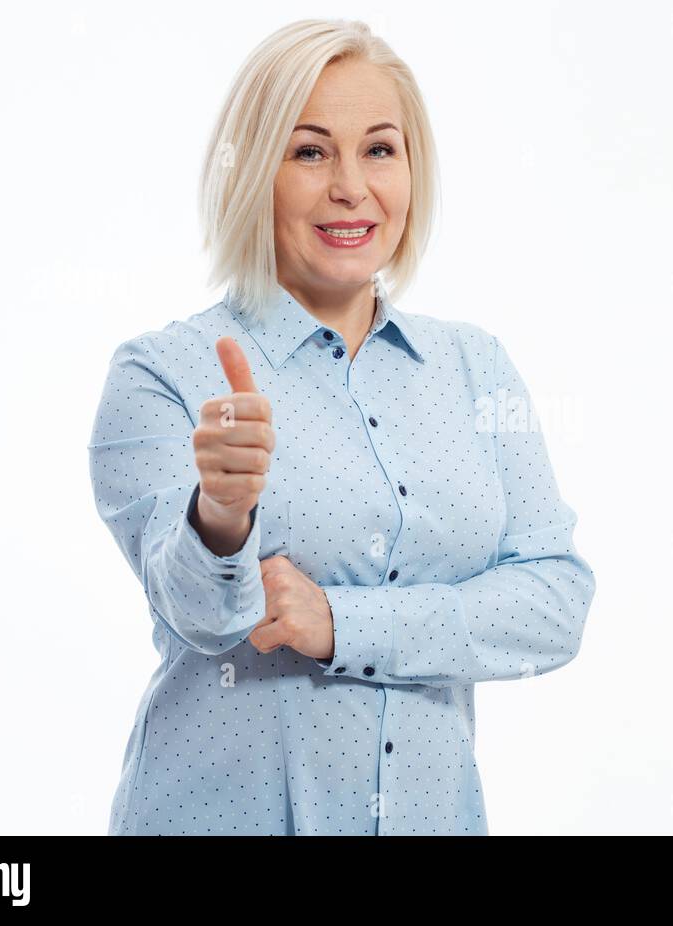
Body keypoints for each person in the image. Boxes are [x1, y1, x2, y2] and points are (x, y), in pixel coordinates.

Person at [87, 19, 596, 835]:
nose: (351, 188)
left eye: (381, 150)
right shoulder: (165, 374)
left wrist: (342, 623)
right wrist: (221, 517)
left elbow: (553, 604)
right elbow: (203, 615)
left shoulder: (476, 369)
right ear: (256, 170)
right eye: (311, 151)